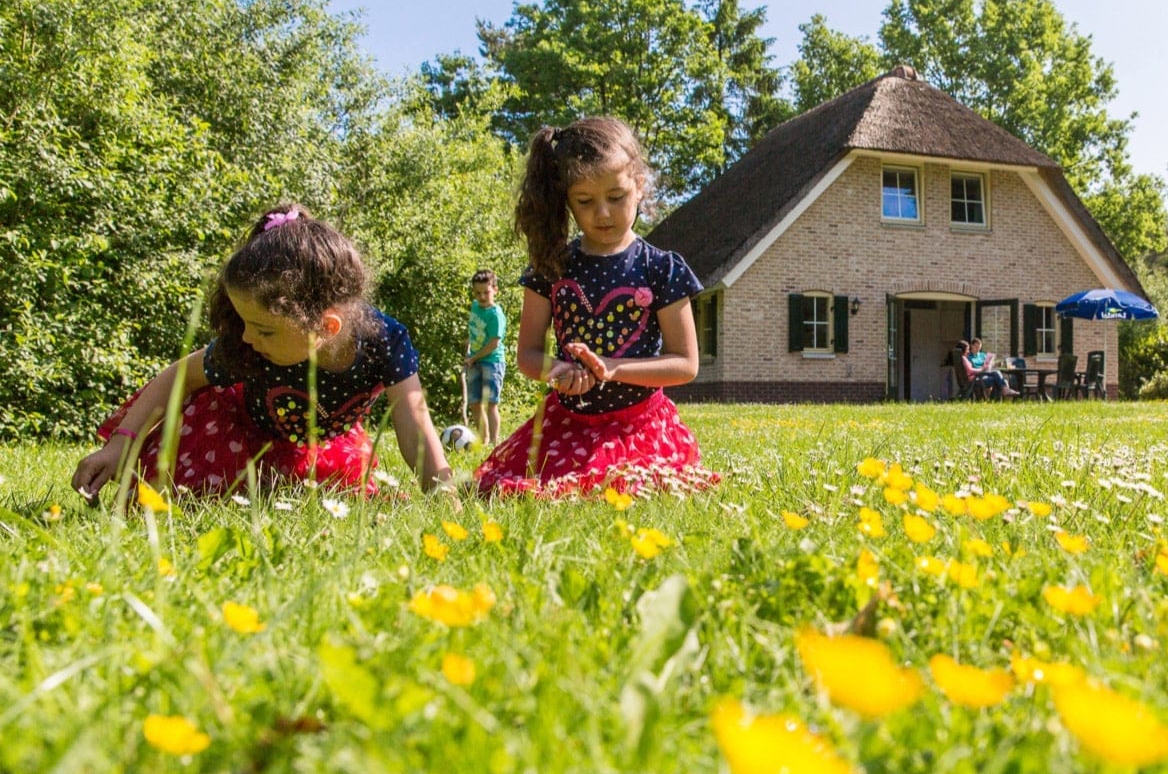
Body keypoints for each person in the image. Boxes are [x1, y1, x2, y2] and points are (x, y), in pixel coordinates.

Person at [71, 204, 454, 502]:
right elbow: (180, 377)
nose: (247, 337)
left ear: (325, 327)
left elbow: (415, 427)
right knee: (184, 493)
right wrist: (121, 444)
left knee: (334, 498)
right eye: (244, 324)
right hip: (237, 429)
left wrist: (443, 494)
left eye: (264, 329)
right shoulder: (249, 344)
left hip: (319, 446)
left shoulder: (385, 342)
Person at [475, 117, 716, 498]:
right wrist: (558, 370)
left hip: (639, 426)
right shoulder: (550, 266)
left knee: (631, 491)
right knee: (530, 492)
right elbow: (527, 354)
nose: (602, 213)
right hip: (567, 424)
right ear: (566, 200)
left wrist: (612, 368)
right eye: (585, 202)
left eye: (616, 197)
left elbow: (686, 364)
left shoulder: (662, 268)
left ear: (639, 185)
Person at [463, 269, 506, 446]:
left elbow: (493, 343)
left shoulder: (495, 315)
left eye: (486, 292)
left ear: (495, 290)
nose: (481, 297)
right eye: (477, 293)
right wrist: (469, 348)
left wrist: (474, 358)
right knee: (474, 402)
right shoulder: (475, 306)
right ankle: (483, 439)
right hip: (474, 360)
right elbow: (474, 331)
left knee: (490, 403)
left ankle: (495, 442)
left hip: (492, 362)